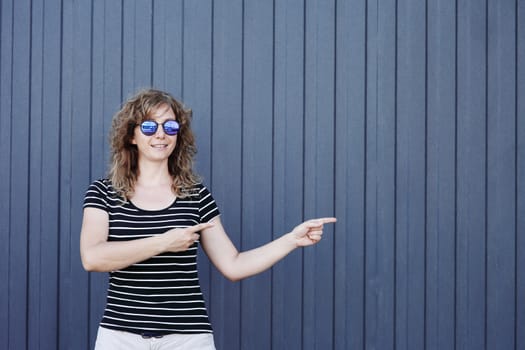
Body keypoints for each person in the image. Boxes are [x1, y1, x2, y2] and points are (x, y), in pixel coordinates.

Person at [80, 88, 336, 350]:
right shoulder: (103, 193)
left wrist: (291, 240)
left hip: (188, 338)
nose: (160, 134)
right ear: (132, 135)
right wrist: (164, 242)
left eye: (170, 126)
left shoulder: (196, 196)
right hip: (120, 336)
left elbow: (233, 265)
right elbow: (93, 257)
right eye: (149, 126)